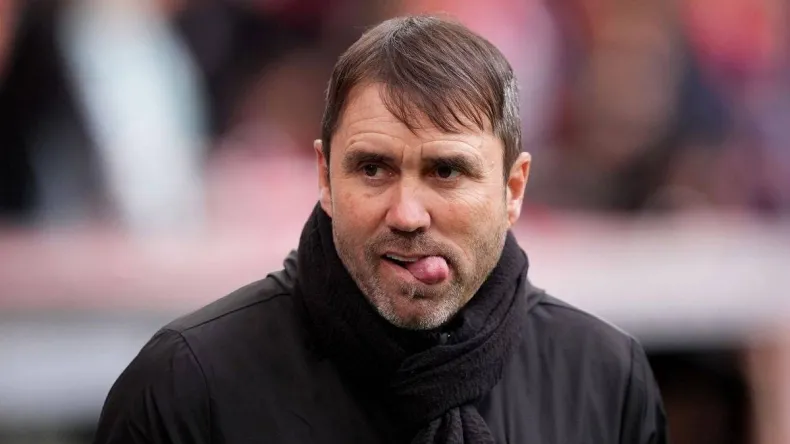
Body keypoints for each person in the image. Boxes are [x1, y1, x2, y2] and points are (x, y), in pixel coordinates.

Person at [93, 15, 668, 444]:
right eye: (373, 169)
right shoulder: (187, 385)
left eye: (446, 172)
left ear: (512, 190)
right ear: (324, 177)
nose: (407, 214)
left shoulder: (605, 378)